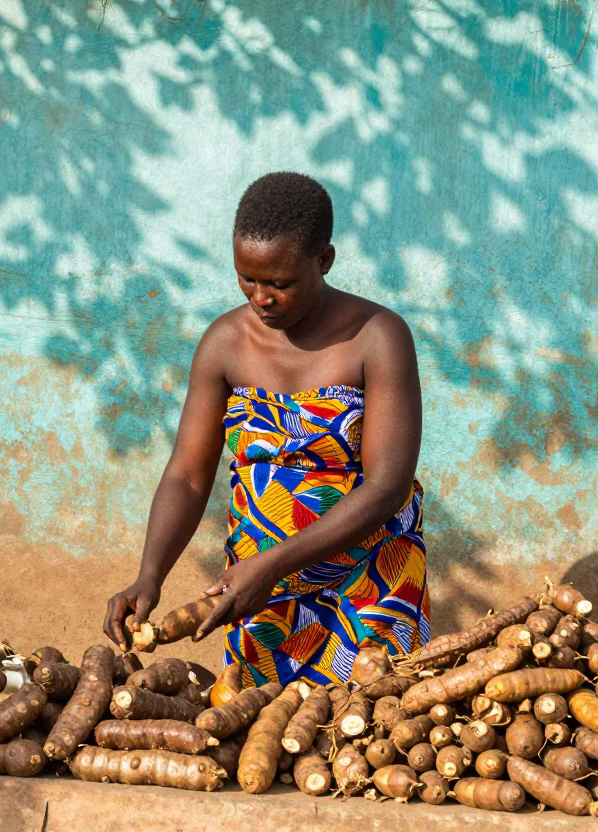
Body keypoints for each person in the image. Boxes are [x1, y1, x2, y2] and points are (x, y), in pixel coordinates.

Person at [103, 172, 428, 687]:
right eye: (247, 279)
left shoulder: (377, 337)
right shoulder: (224, 343)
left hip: (367, 584)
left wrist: (273, 564)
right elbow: (187, 475)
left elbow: (387, 486)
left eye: (280, 283)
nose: (262, 297)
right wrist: (150, 575)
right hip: (258, 593)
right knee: (262, 739)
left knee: (368, 732)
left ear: (324, 260)